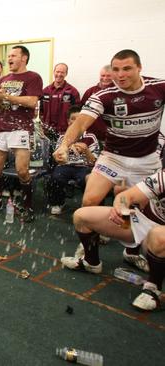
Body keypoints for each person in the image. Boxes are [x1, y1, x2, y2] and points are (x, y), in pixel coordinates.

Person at [55, 49, 165, 271]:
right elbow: (80, 123)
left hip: (147, 158)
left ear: (139, 68)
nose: (120, 74)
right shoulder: (103, 96)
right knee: (89, 201)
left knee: (139, 208)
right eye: (115, 69)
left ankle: (131, 252)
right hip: (113, 156)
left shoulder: (159, 87)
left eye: (127, 69)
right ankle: (90, 259)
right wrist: (65, 145)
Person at [60, 169, 165, 311]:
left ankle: (153, 288)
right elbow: (126, 195)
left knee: (159, 237)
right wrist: (121, 207)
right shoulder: (163, 177)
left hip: (160, 234)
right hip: (142, 221)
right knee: (81, 217)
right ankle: (91, 262)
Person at [0, 45, 43, 222]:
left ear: (24, 58)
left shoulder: (33, 77)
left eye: (13, 55)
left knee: (22, 171)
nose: (9, 58)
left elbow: (32, 102)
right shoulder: (3, 79)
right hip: (1, 127)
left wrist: (7, 97)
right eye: (8, 56)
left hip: (21, 128)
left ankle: (27, 207)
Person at [46, 106, 99, 215]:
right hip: (66, 166)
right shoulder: (62, 138)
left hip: (84, 167)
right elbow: (57, 159)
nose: (75, 122)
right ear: (68, 121)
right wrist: (62, 156)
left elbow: (94, 162)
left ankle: (87, 205)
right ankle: (57, 203)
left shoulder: (91, 137)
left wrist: (86, 150)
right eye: (72, 119)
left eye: (78, 119)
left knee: (88, 180)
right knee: (56, 177)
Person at [40, 63, 80, 137]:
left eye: (62, 72)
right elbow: (40, 112)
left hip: (65, 133)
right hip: (47, 132)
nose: (59, 74)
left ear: (66, 74)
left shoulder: (72, 92)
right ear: (54, 72)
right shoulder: (45, 91)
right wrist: (42, 127)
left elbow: (76, 114)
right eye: (57, 71)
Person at [80, 65, 113, 141]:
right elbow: (81, 114)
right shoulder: (90, 92)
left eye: (108, 76)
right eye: (103, 75)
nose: (105, 78)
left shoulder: (118, 93)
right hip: (91, 136)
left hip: (111, 138)